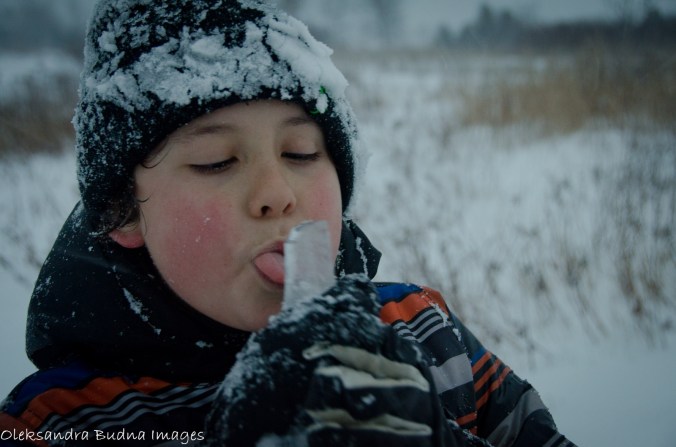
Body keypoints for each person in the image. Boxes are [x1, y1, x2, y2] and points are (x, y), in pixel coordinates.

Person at [0, 1, 575, 446]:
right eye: (216, 162)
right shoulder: (59, 419)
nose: (277, 195)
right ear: (125, 213)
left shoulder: (425, 335)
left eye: (300, 153)